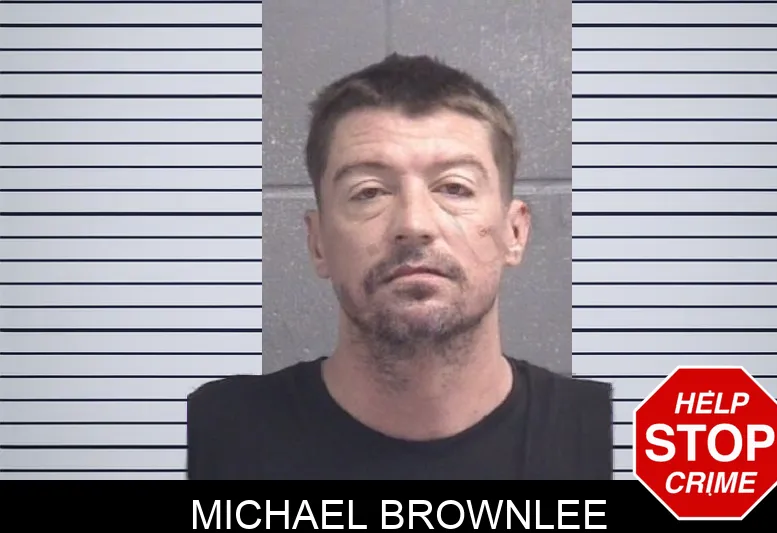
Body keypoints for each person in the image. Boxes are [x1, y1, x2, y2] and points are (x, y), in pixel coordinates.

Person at [186, 53, 613, 480]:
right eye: (369, 192)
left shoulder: (610, 438)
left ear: (514, 232)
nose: (414, 224)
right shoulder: (213, 437)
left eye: (454, 188)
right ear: (318, 243)